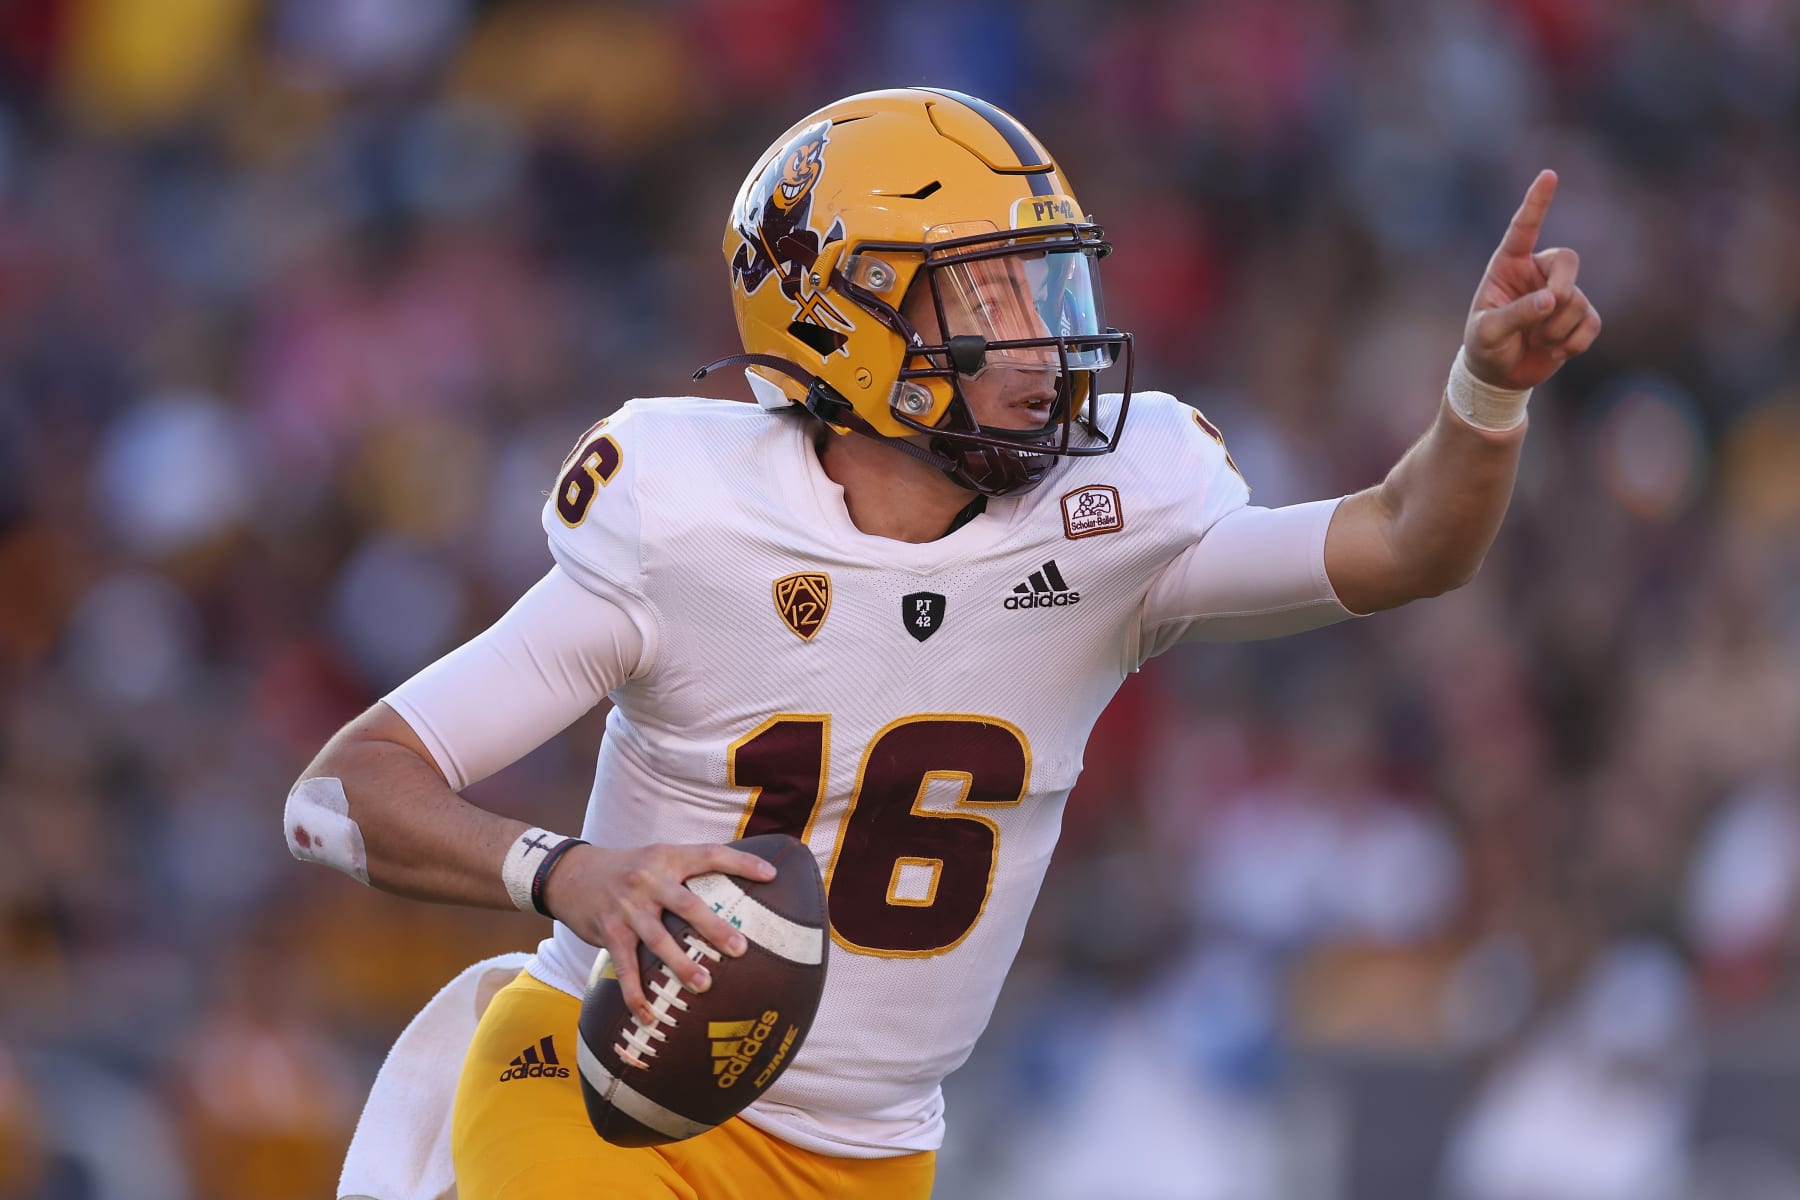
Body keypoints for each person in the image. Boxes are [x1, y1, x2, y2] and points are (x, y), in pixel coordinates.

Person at [288, 87, 1600, 1198]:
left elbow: (1409, 542)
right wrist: (562, 873)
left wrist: (1483, 395)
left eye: (1051, 284)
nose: (1046, 341)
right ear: (835, 317)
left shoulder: (1117, 515)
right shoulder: (687, 519)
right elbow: (344, 789)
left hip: (874, 1158)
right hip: (611, 1082)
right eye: (989, 296)